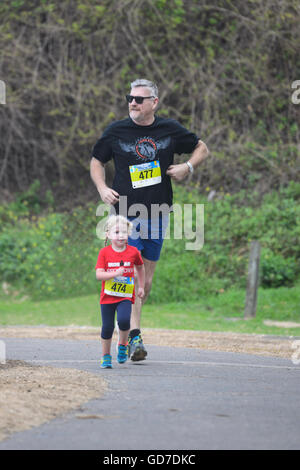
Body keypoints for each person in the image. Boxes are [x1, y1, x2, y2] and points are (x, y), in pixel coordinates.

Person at [90, 78, 209, 361]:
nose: (132, 102)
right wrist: (102, 188)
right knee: (129, 272)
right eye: (129, 98)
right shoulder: (116, 131)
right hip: (125, 213)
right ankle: (133, 337)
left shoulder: (169, 129)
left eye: (139, 99)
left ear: (154, 103)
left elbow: (203, 148)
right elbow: (97, 160)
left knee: (146, 278)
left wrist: (187, 166)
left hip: (158, 212)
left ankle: (129, 331)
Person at [95, 214, 145, 368]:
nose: (121, 235)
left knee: (124, 321)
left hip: (125, 296)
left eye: (124, 232)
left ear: (129, 234)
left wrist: (141, 286)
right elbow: (99, 275)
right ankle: (106, 356)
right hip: (108, 297)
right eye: (116, 232)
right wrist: (114, 274)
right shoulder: (104, 253)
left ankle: (122, 346)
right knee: (107, 327)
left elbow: (141, 267)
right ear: (108, 235)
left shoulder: (133, 252)